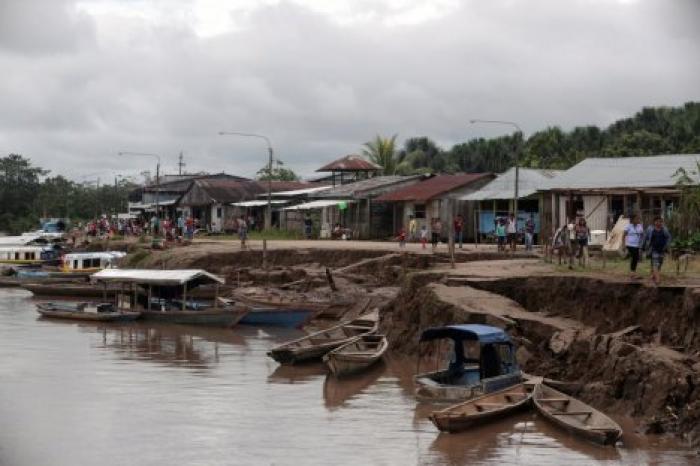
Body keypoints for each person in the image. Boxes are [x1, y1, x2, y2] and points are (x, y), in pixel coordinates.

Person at [644, 217, 671, 286]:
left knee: (660, 263)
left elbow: (668, 237)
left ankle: (654, 274)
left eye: (660, 222)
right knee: (655, 263)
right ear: (654, 222)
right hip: (654, 249)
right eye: (657, 222)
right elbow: (646, 237)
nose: (659, 223)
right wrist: (643, 246)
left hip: (662, 249)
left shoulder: (664, 229)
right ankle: (657, 279)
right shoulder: (650, 229)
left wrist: (667, 246)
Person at [623, 214, 644, 279]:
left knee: (636, 258)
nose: (638, 220)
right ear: (632, 220)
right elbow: (623, 235)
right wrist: (623, 245)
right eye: (636, 219)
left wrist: (641, 242)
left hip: (637, 245)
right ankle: (632, 273)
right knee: (635, 257)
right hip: (630, 245)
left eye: (638, 219)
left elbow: (642, 235)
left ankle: (633, 272)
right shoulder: (628, 226)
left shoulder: (640, 226)